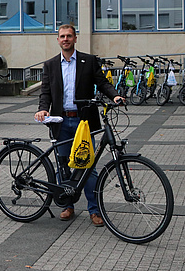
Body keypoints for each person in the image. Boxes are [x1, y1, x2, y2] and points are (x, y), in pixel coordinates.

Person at [34, 24, 123, 227]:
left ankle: (94, 210)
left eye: (69, 36)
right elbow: (45, 92)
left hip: (84, 121)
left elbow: (102, 82)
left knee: (88, 166)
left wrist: (115, 95)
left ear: (75, 38)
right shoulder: (50, 65)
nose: (65, 39)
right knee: (63, 166)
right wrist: (42, 109)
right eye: (62, 36)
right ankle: (67, 205)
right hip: (61, 121)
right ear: (58, 40)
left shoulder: (88, 61)